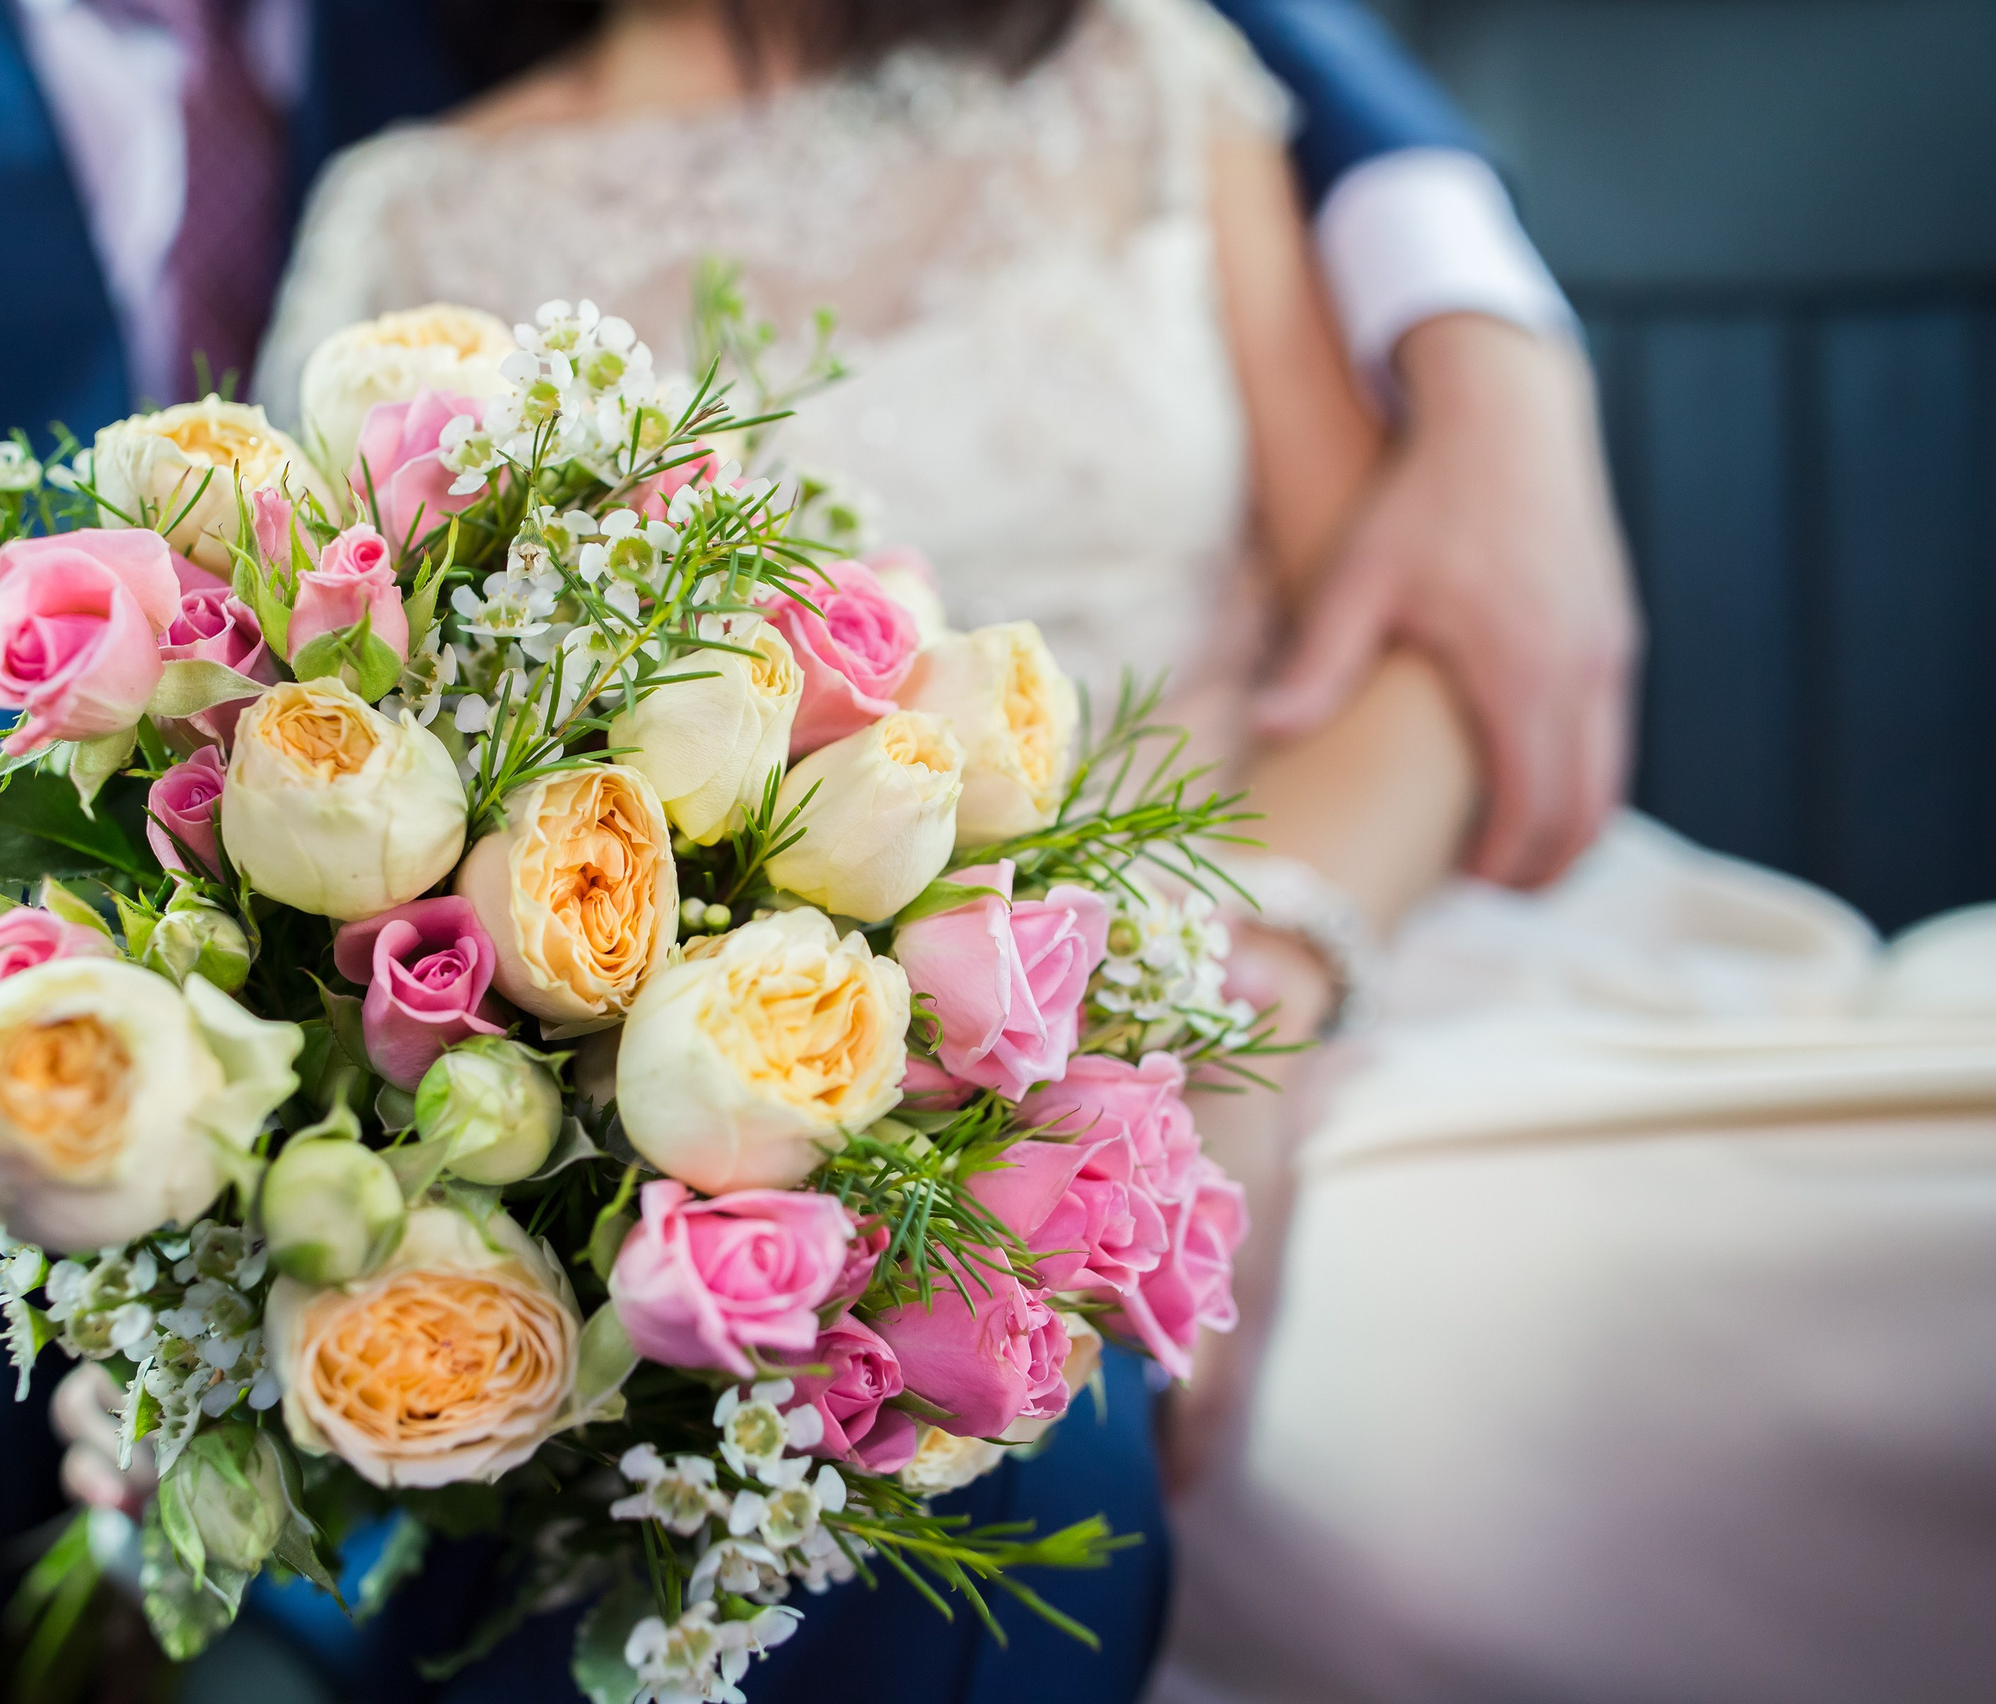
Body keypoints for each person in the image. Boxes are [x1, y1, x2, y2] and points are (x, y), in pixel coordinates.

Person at [0, 0, 1631, 1699]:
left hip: (714, 973)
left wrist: (1501, 355)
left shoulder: (1089, 73)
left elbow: (1194, 64)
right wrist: (182, 1187)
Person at [231, 0, 1996, 1698]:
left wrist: (1250, 1013)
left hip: (1343, 948)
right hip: (850, 1170)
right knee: (1450, 1381)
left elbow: (1418, 652)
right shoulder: (407, 224)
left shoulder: (1141, 72)